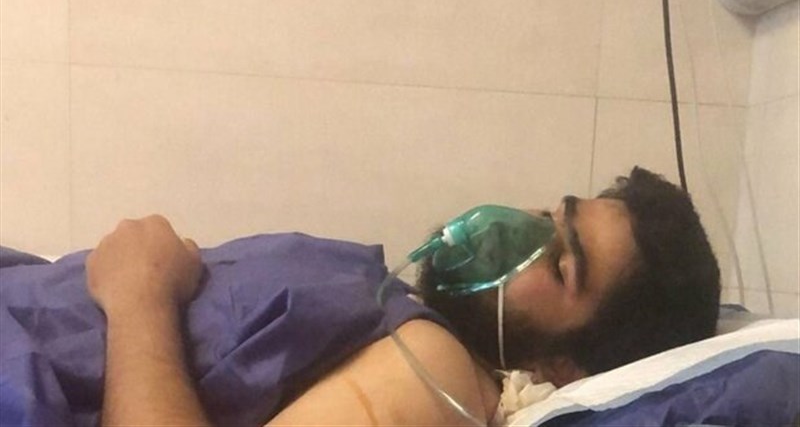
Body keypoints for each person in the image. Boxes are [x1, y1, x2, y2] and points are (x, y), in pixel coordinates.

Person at [81, 166, 720, 426]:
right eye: (551, 217)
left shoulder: (443, 372)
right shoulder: (407, 315)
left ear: (563, 365)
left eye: (558, 263)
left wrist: (139, 296)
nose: (515, 230)